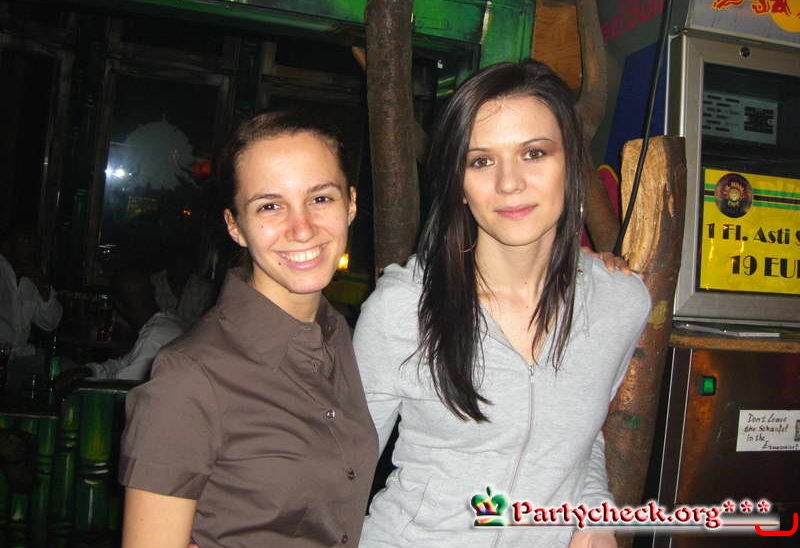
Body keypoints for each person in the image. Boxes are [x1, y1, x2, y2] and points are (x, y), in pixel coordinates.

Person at [353, 61, 652, 548]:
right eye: (481, 161)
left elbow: (577, 438)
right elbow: (340, 468)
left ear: (571, 164)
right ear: (458, 183)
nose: (509, 183)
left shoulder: (620, 302)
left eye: (534, 153)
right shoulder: (403, 309)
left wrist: (595, 513)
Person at [119, 110, 377, 547]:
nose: (302, 229)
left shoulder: (338, 335)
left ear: (350, 204)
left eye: (320, 198)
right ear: (235, 226)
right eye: (270, 206)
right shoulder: (189, 378)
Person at [53, 268, 184, 385]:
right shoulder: (167, 324)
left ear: (118, 305)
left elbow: (121, 390)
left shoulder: (155, 336)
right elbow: (122, 364)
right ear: (153, 291)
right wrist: (90, 371)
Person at [0, 224, 62, 360]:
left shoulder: (33, 277)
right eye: (23, 241)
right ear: (6, 246)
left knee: (65, 366)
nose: (29, 248)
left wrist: (43, 286)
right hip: (4, 357)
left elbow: (50, 323)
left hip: (21, 355)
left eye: (32, 243)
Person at [150, 246, 214, 327]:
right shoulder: (154, 284)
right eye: (175, 267)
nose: (179, 273)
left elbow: (205, 325)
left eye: (183, 268)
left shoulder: (203, 288)